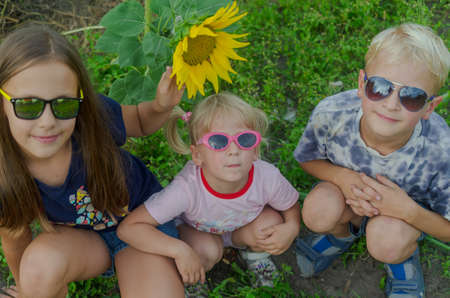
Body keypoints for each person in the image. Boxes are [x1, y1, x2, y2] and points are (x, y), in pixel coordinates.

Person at [0, 25, 186, 298]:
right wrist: (28, 292)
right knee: (38, 270)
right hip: (83, 244)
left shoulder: (92, 119)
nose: (48, 122)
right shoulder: (5, 170)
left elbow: (140, 121)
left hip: (142, 226)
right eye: (28, 105)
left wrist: (160, 106)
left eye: (64, 104)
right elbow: (14, 240)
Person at [293, 23, 449, 297]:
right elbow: (307, 159)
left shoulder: (440, 150)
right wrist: (341, 177)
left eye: (412, 97)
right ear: (361, 83)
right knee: (317, 211)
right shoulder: (331, 114)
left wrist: (406, 211)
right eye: (380, 87)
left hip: (403, 218)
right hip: (345, 195)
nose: (391, 104)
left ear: (429, 107)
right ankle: (342, 233)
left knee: (387, 242)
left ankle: (401, 259)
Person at [117, 92, 300, 296]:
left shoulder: (267, 178)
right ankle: (194, 276)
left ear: (255, 150)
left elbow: (290, 205)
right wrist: (179, 250)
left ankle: (255, 256)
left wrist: (292, 226)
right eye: (218, 142)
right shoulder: (186, 189)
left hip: (241, 227)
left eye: (245, 139)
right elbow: (129, 228)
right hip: (197, 231)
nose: (233, 150)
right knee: (206, 250)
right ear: (197, 155)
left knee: (272, 223)